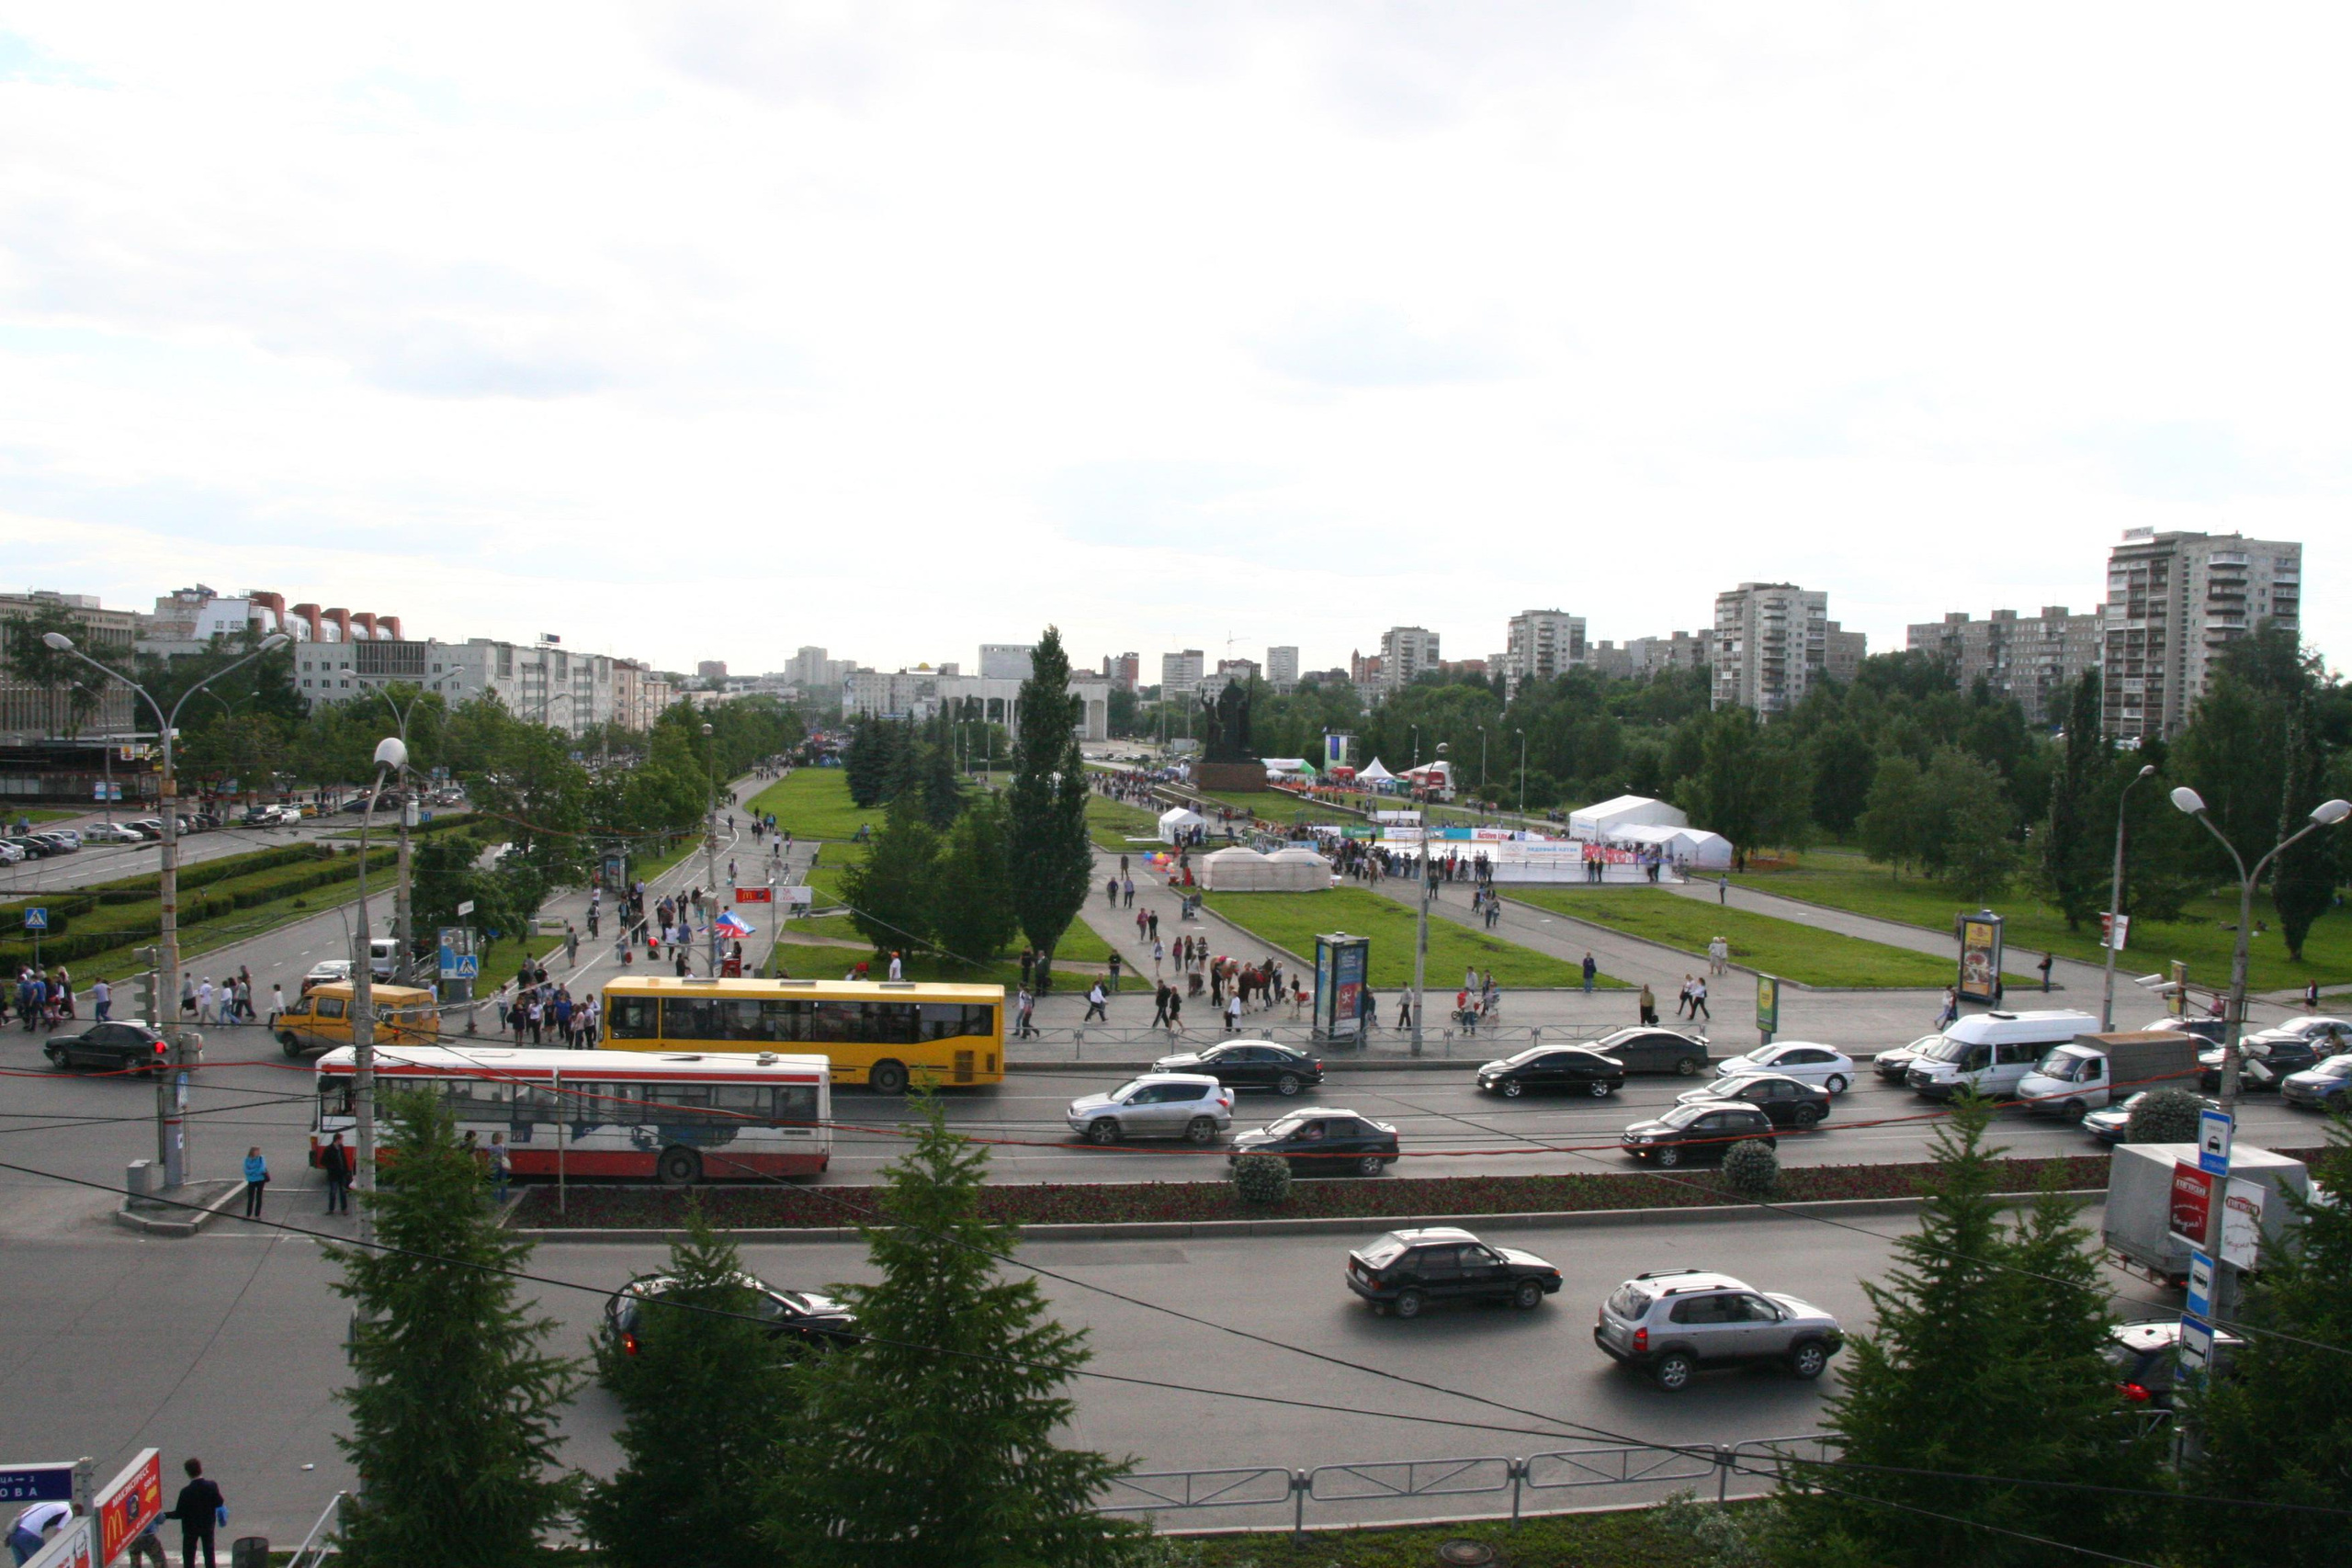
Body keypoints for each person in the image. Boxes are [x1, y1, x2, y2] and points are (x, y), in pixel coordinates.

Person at [167, 1458, 224, 1568]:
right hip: (207, 1525)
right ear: (200, 1469)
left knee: (189, 1556)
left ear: (188, 1473)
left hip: (190, 1528)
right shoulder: (212, 1486)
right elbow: (219, 1502)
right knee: (209, 1554)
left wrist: (165, 1515)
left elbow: (179, 1513)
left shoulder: (186, 1492)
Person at [321, 1131, 353, 1214]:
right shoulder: (328, 1149)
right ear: (337, 1140)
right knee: (333, 1192)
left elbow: (343, 1159)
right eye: (341, 1139)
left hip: (342, 1174)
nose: (342, 1141)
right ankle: (331, 1209)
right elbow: (323, 1161)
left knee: (343, 1192)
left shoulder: (340, 1148)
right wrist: (332, 1168)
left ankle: (344, 1209)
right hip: (333, 1175)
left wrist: (347, 1170)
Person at [241, 1146, 267, 1219]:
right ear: (252, 1152)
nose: (258, 1153)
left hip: (260, 1180)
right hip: (251, 1180)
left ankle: (257, 1215)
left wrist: (252, 1171)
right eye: (256, 1151)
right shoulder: (247, 1159)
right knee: (250, 1198)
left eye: (258, 1151)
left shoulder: (261, 1158)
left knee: (259, 1197)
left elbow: (262, 1169)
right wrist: (255, 1171)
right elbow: (246, 1171)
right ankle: (248, 1214)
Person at [488, 1132, 511, 1206]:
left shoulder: (489, 1147)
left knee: (494, 1183)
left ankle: (494, 1199)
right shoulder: (503, 1146)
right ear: (500, 1138)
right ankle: (503, 1199)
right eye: (501, 1137)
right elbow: (506, 1156)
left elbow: (490, 1156)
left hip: (494, 1166)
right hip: (503, 1166)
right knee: (503, 1183)